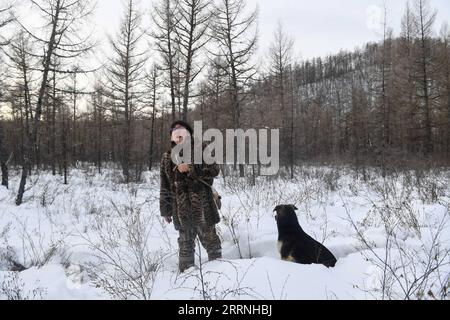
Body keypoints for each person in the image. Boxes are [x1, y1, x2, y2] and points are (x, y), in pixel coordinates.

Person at [160, 120, 222, 273]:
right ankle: (187, 282)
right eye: (175, 132)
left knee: (210, 240)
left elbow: (214, 169)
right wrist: (166, 210)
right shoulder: (167, 157)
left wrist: (191, 167)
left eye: (181, 130)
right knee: (185, 245)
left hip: (203, 204)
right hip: (181, 209)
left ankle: (220, 274)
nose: (178, 134)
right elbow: (165, 185)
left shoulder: (201, 148)